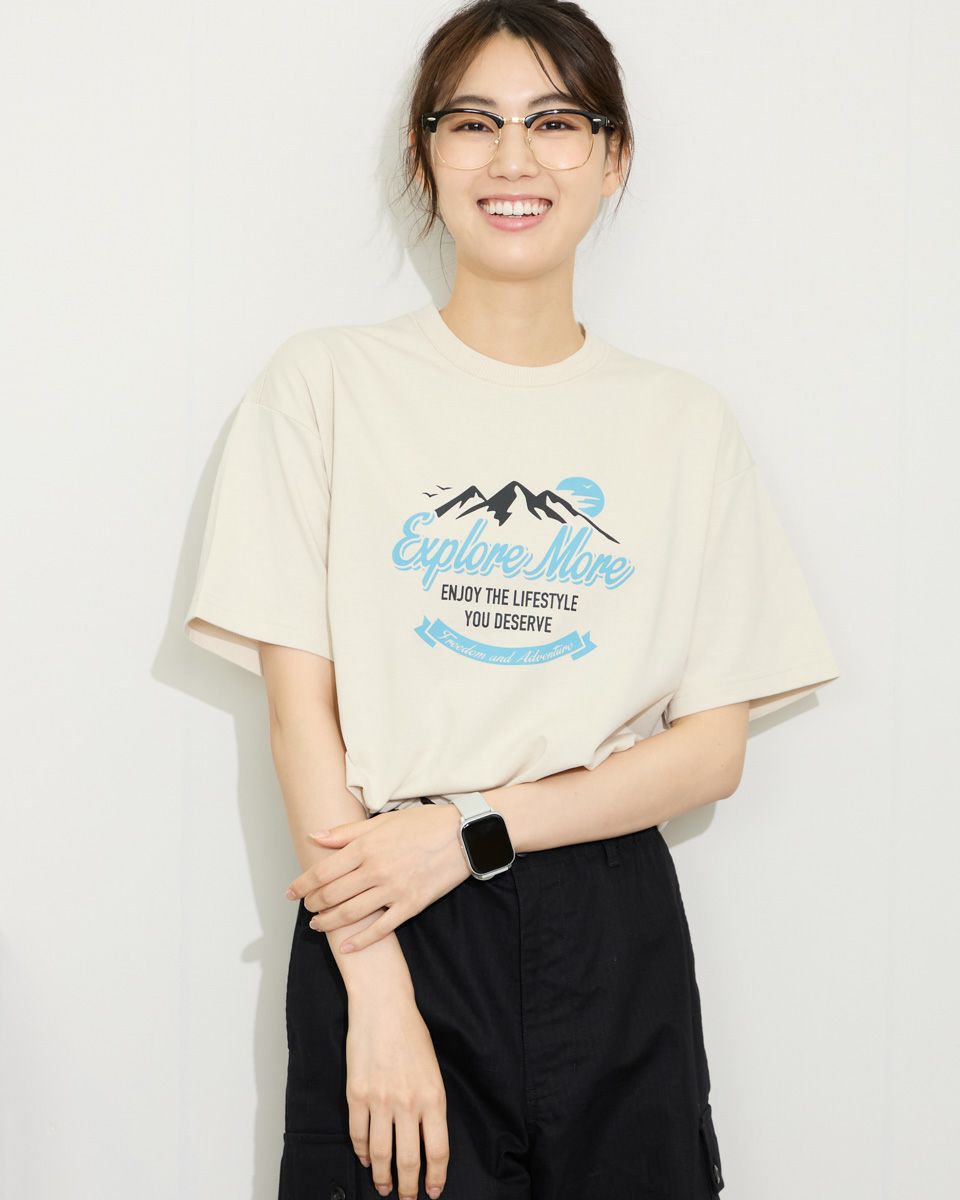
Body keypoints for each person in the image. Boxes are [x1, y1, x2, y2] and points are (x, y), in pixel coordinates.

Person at [183, 2, 841, 1197]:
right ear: (424, 154)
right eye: (474, 122)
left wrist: (471, 827)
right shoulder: (326, 384)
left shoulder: (682, 423)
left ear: (612, 156)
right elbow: (300, 720)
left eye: (556, 122)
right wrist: (376, 993)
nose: (514, 159)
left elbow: (711, 753)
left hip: (608, 920)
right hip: (383, 908)